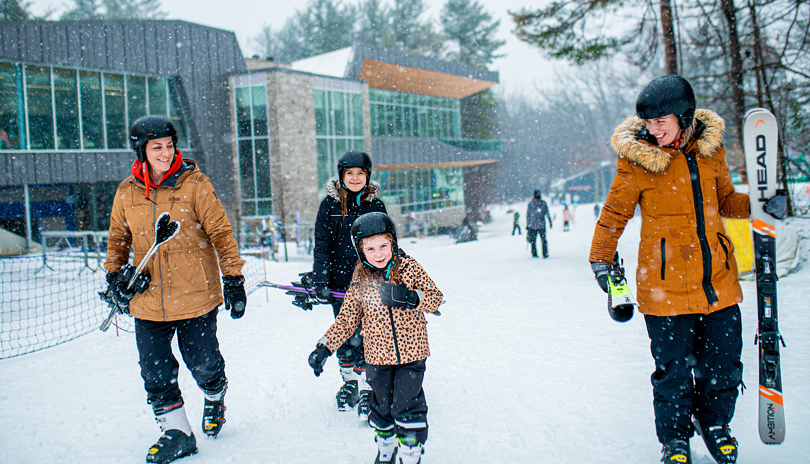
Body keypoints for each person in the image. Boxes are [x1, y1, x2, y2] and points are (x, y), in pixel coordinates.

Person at [588, 75, 787, 464]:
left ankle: (715, 425)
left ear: (684, 116)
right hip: (664, 286)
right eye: (648, 123)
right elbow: (614, 215)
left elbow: (725, 200)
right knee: (673, 373)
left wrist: (762, 205)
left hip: (717, 283)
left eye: (661, 121)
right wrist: (601, 261)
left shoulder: (710, 152)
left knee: (724, 368)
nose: (653, 129)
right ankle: (675, 440)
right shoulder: (637, 161)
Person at [102, 115, 247, 464]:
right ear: (141, 151)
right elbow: (118, 240)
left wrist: (234, 279)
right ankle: (177, 432)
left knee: (203, 363)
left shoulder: (194, 184)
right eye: (157, 148)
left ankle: (215, 393)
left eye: (169, 146)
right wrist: (114, 276)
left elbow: (221, 234)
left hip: (196, 295)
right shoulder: (127, 191)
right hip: (147, 299)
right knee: (155, 370)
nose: (166, 153)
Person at [308, 212, 443, 464]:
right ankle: (386, 447)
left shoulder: (409, 267)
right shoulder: (360, 279)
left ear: (393, 243)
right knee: (381, 407)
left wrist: (412, 298)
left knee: (407, 406)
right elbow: (347, 319)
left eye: (383, 246)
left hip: (411, 356)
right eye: (370, 248)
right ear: (360, 251)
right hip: (378, 360)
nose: (378, 253)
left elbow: (435, 297)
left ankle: (411, 452)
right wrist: (324, 348)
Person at [312, 150, 387, 417]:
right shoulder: (329, 206)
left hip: (370, 284)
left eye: (360, 173)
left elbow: (388, 247)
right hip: (339, 284)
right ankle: (349, 383)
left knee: (369, 336)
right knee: (345, 336)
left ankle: (369, 388)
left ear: (367, 176)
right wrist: (320, 278)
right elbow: (321, 246)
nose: (355, 178)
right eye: (349, 173)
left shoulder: (376, 206)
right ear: (341, 175)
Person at [526, 190, 552, 258]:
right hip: (541, 224)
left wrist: (528, 224)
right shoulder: (543, 203)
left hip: (533, 225)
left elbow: (528, 215)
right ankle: (545, 253)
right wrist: (550, 222)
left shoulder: (531, 203)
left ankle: (534, 253)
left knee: (533, 240)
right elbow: (547, 213)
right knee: (543, 240)